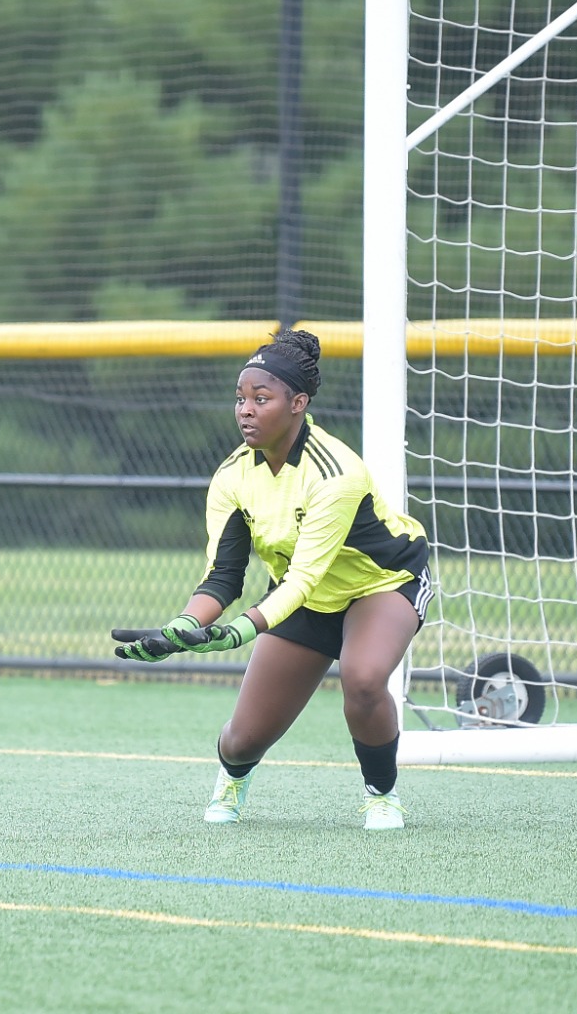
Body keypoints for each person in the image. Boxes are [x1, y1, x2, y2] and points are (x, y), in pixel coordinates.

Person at [114, 329, 432, 830]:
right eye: (240, 398)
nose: (245, 410)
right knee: (242, 740)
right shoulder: (232, 477)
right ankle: (234, 779)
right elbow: (222, 576)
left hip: (381, 583)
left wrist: (239, 631)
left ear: (298, 404)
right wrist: (180, 629)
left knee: (364, 679)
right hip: (300, 599)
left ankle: (381, 794)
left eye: (261, 399)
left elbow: (304, 577)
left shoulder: (336, 473)